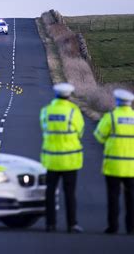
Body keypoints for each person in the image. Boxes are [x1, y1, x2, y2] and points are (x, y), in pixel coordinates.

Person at [94, 89, 134, 235]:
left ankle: (113, 227)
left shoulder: (111, 117)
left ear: (117, 101)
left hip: (113, 165)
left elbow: (99, 135)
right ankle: (131, 228)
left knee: (113, 197)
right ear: (130, 103)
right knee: (131, 198)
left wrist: (110, 141)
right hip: (131, 166)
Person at [40, 83, 84, 233]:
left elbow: (43, 127)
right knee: (70, 194)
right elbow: (80, 132)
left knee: (50, 193)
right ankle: (72, 224)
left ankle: (50, 224)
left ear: (56, 94)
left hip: (51, 160)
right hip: (69, 160)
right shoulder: (74, 111)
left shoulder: (46, 111)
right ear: (69, 95)